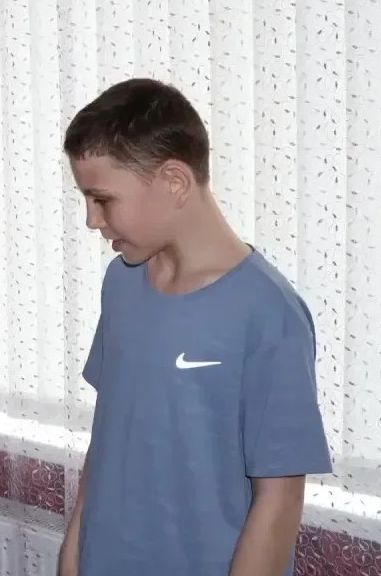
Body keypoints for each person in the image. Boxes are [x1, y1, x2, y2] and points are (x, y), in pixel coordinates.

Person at [57, 79, 331, 576]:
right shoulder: (122, 283)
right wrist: (73, 553)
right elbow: (109, 437)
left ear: (174, 182)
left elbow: (279, 499)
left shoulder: (270, 314)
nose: (92, 220)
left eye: (102, 199)